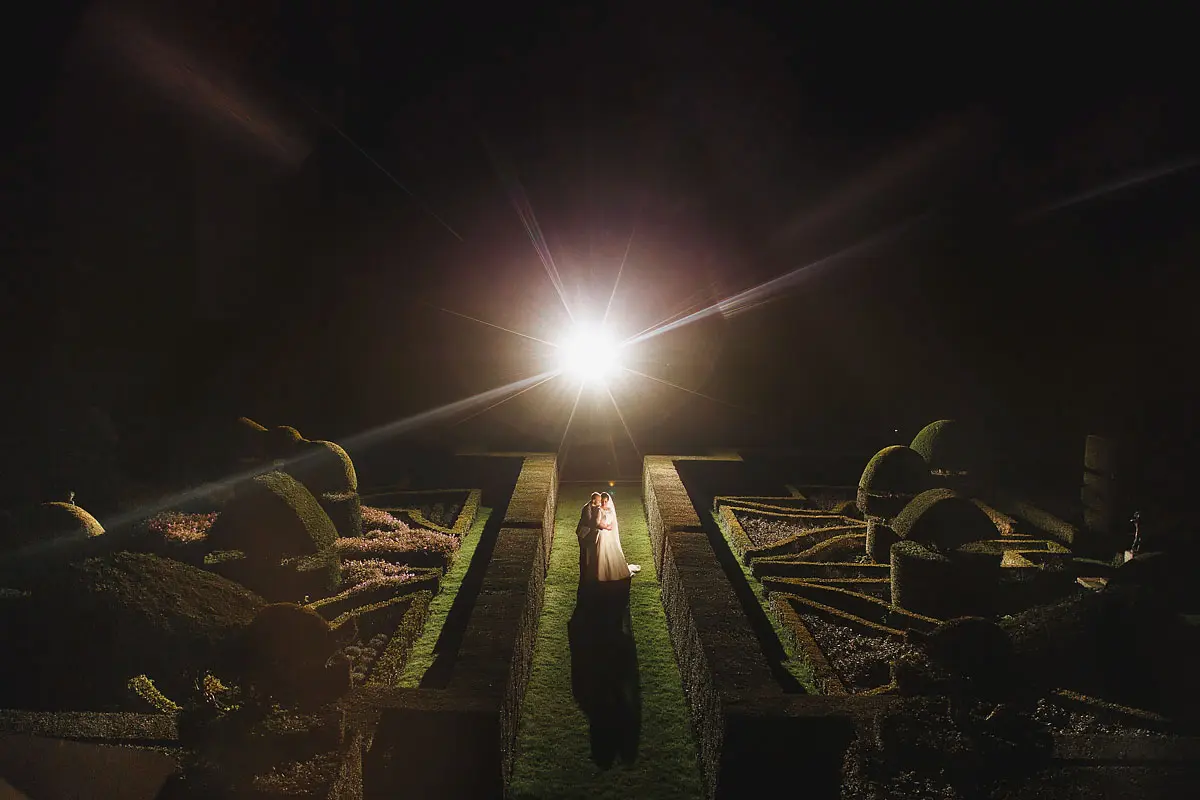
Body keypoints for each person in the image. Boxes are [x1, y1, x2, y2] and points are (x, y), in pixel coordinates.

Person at [595, 492, 640, 581]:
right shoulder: (599, 510)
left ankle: (613, 570)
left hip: (608, 533)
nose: (604, 503)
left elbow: (613, 521)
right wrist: (606, 527)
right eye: (602, 501)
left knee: (612, 550)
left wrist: (610, 527)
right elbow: (597, 523)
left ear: (608, 501)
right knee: (601, 552)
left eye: (605, 501)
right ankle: (602, 573)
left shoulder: (610, 510)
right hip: (602, 533)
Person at [577, 492, 603, 584]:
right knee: (584, 551)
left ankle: (589, 569)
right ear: (594, 500)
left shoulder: (595, 507)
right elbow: (590, 522)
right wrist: (600, 526)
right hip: (584, 534)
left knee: (591, 552)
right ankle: (584, 570)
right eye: (598, 500)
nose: (600, 502)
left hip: (590, 534)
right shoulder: (586, 508)